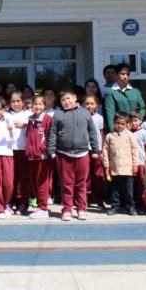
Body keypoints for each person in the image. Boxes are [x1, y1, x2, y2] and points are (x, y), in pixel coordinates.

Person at [47, 88, 100, 221]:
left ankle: (82, 208)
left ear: (75, 98)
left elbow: (92, 132)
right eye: (63, 100)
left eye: (68, 98)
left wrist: (95, 150)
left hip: (82, 153)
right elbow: (52, 133)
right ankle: (67, 209)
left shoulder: (85, 113)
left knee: (81, 183)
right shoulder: (57, 114)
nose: (66, 102)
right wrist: (51, 150)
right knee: (67, 183)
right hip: (64, 153)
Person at [102, 112, 139, 216]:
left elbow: (135, 150)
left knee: (128, 190)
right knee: (115, 189)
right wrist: (106, 165)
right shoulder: (109, 136)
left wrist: (135, 165)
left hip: (128, 168)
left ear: (126, 124)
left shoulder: (130, 135)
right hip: (114, 168)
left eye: (122, 124)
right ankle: (115, 206)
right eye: (117, 123)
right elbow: (105, 151)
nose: (119, 126)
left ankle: (130, 207)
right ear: (114, 123)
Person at [25, 95, 52, 219]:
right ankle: (39, 206)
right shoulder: (30, 119)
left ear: (45, 106)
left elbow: (50, 136)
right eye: (35, 104)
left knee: (42, 182)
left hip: (42, 156)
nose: (37, 106)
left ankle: (43, 208)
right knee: (34, 181)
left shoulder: (47, 118)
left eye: (40, 104)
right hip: (31, 156)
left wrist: (42, 148)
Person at [5, 91, 31, 215]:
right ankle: (8, 202)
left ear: (23, 102)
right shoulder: (5, 115)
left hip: (23, 150)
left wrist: (25, 125)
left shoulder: (28, 114)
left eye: (18, 101)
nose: (15, 104)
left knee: (23, 179)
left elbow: (35, 125)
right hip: (9, 150)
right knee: (10, 179)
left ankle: (23, 202)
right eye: (13, 101)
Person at [103, 63, 146, 133]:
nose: (125, 76)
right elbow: (110, 113)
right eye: (122, 74)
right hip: (119, 130)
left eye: (127, 74)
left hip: (135, 130)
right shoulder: (110, 92)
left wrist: (136, 121)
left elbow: (142, 108)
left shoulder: (136, 92)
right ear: (116, 75)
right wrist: (114, 131)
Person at [82, 94, 105, 208]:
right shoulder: (80, 117)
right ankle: (85, 198)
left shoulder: (100, 118)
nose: (89, 106)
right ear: (83, 105)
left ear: (96, 105)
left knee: (98, 175)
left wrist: (102, 149)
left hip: (97, 149)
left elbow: (101, 134)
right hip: (84, 149)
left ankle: (99, 198)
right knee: (85, 175)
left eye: (92, 104)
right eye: (87, 104)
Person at [128, 110, 146, 211]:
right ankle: (132, 203)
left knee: (141, 184)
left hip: (141, 162)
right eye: (131, 121)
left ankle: (142, 204)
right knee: (131, 185)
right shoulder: (127, 133)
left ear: (140, 120)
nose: (133, 123)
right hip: (129, 163)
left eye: (136, 120)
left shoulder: (144, 133)